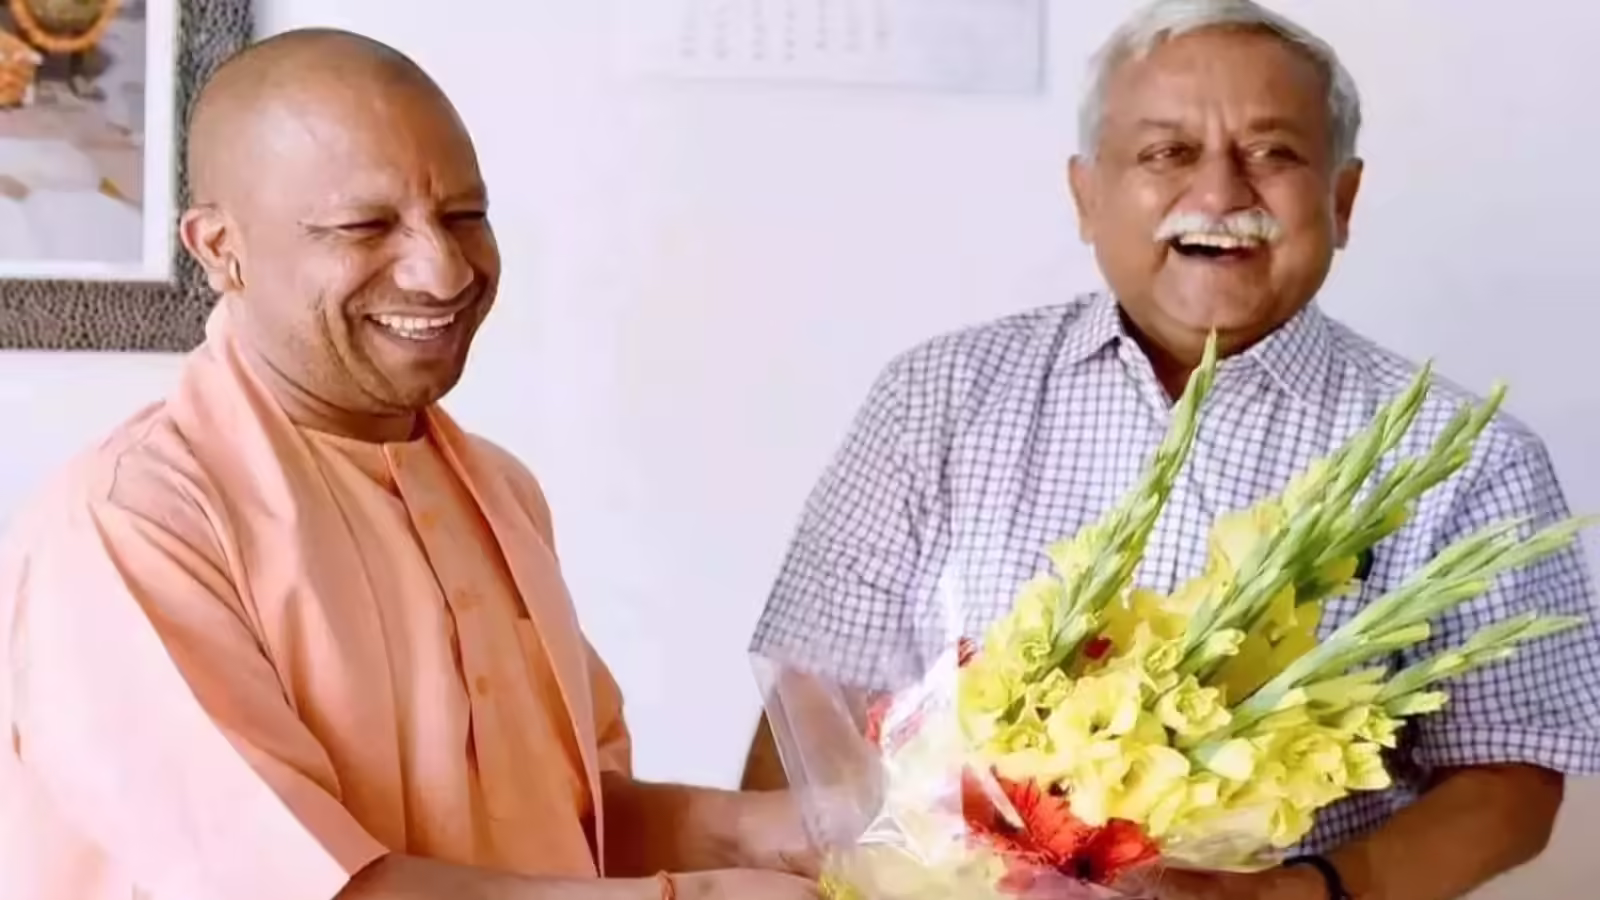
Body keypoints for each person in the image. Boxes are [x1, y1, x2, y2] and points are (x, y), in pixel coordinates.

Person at [741, 1, 1600, 899]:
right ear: (1087, 195)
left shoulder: (1469, 459)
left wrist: (1301, 894)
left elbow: (1510, 779)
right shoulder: (939, 397)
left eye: (1273, 153)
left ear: (1341, 201)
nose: (1221, 195)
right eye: (1168, 152)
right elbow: (808, 714)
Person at [0, 28, 817, 900]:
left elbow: (568, 825)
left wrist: (781, 832)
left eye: (465, 216)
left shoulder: (498, 491)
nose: (442, 271)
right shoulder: (136, 523)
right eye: (365, 226)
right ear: (218, 247)